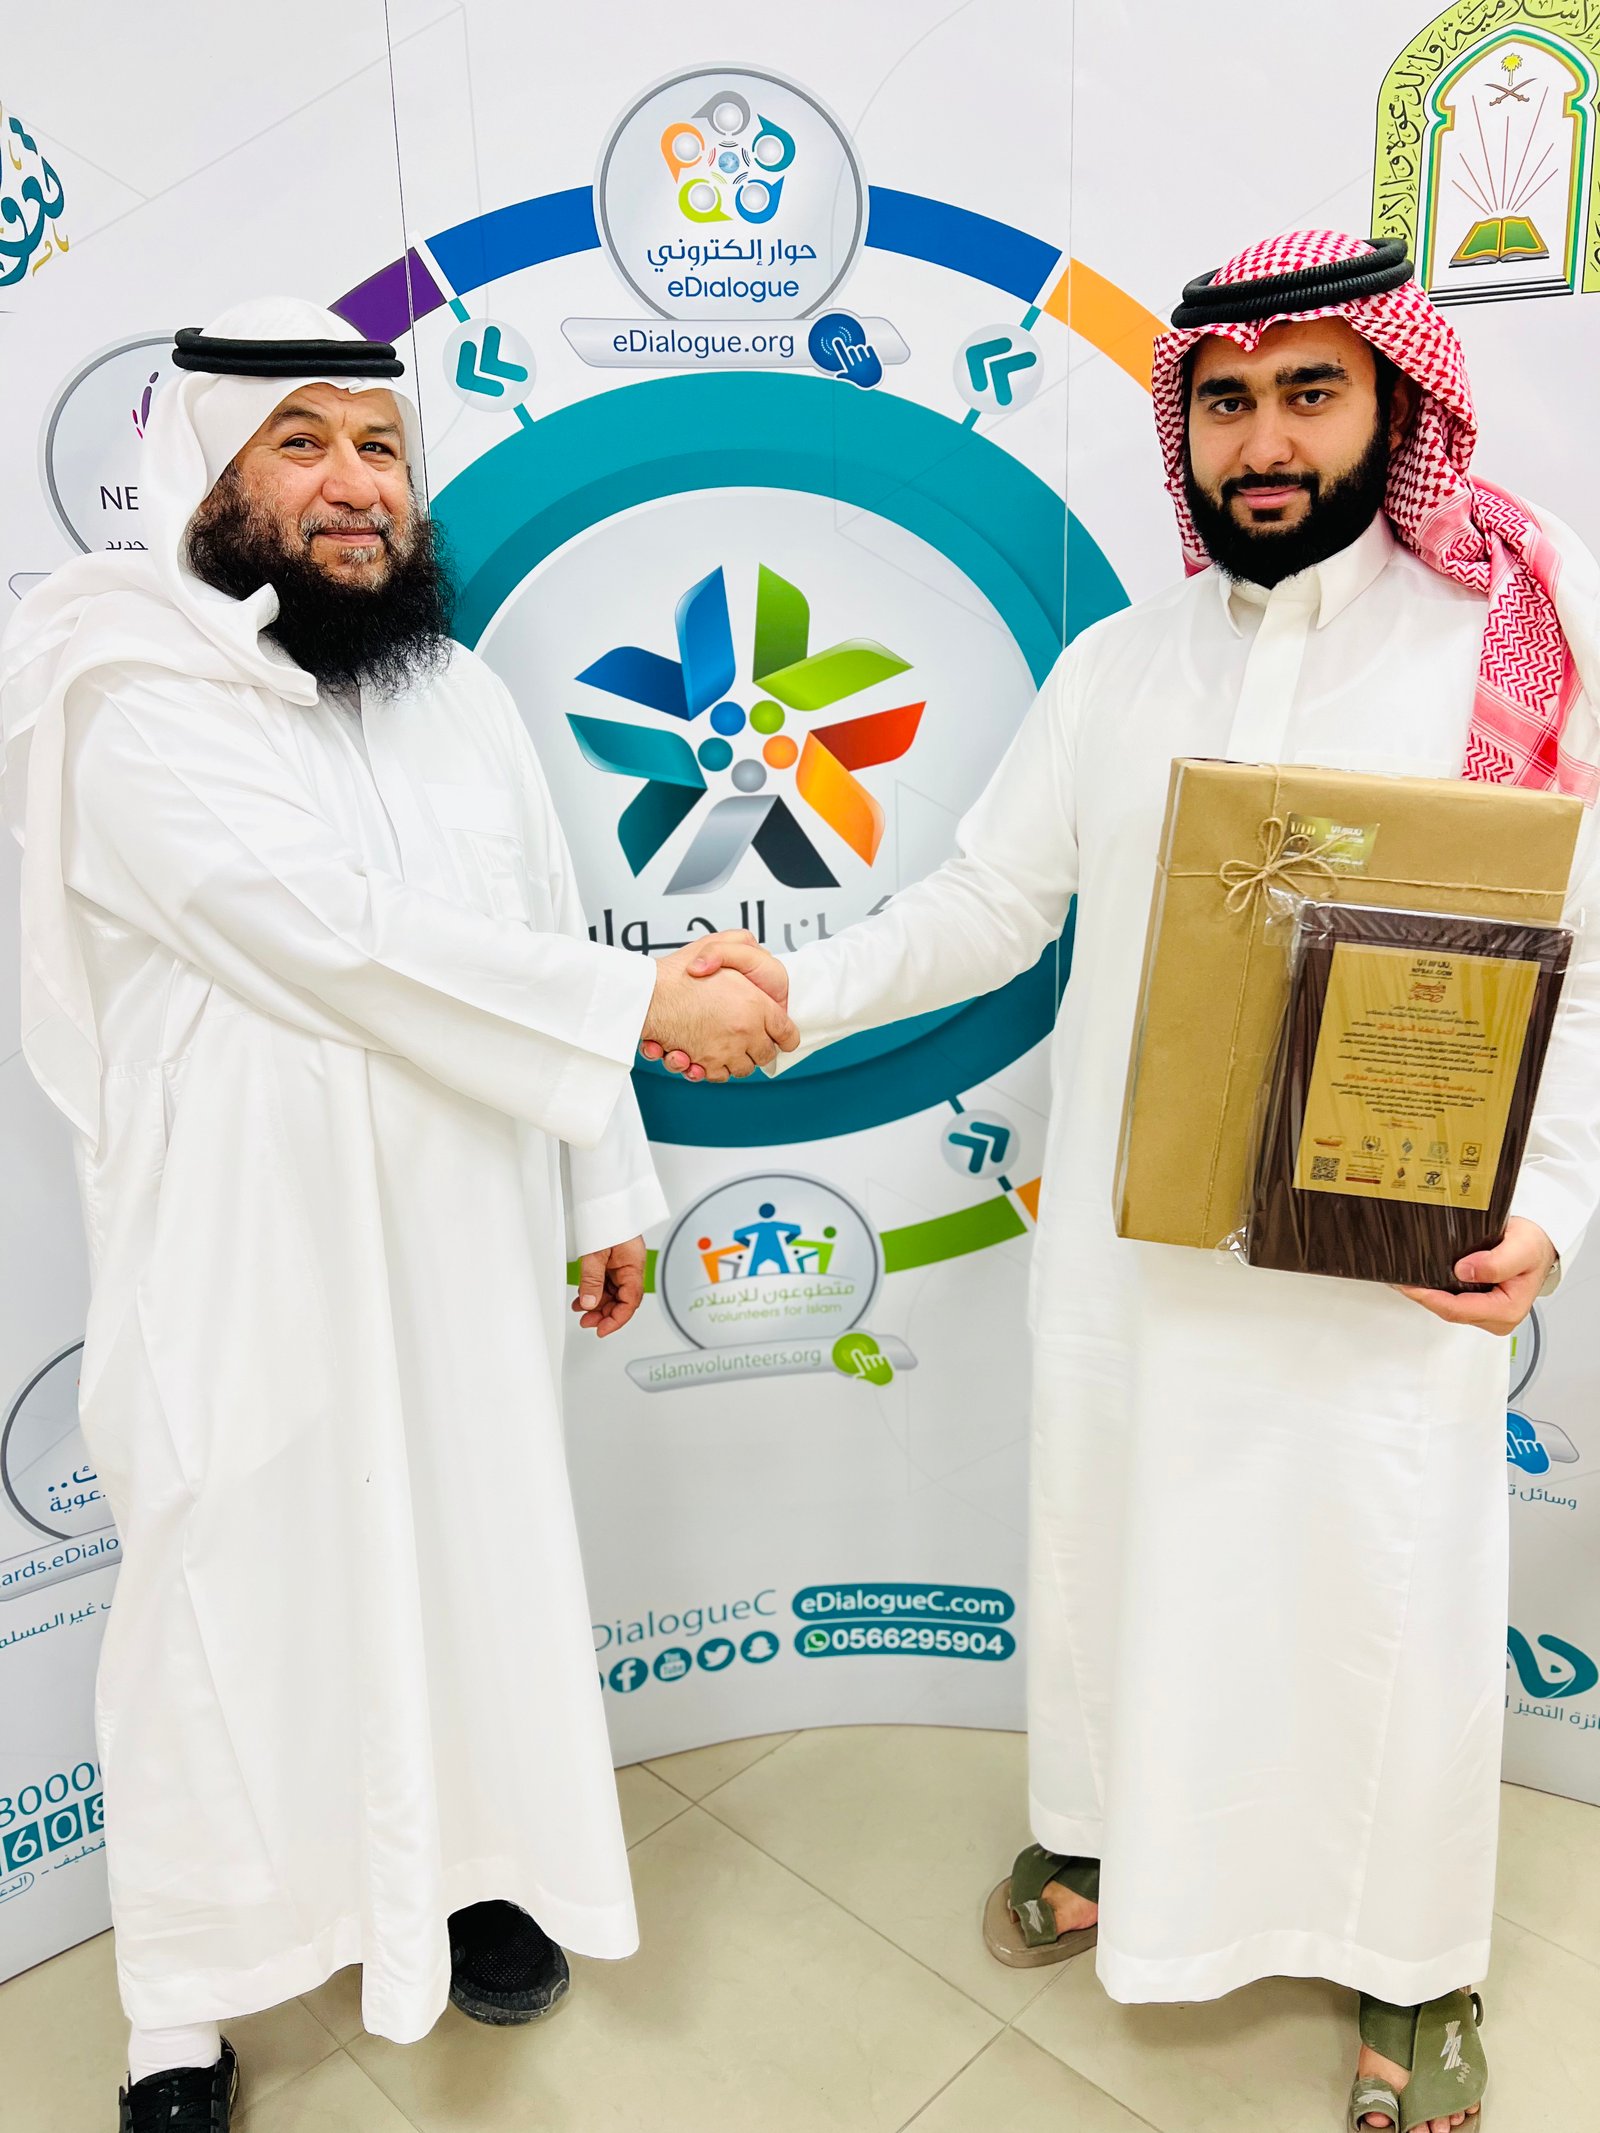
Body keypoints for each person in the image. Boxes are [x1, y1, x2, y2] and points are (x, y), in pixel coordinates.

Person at [651, 233, 1600, 2132]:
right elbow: (995, 904)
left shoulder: (1498, 654)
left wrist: (1550, 1201)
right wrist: (798, 984)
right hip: (1136, 1249)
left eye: (1313, 394)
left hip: (1380, 1263)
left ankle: (1412, 1962)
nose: (1266, 442)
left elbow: (1575, 943)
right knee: (1118, 1558)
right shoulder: (1119, 666)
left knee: (1381, 1596)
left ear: (1396, 404)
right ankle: (1095, 1841)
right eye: (1229, 400)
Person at [0, 298, 794, 2132]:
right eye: (302, 442)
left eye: (380, 445)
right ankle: (181, 2008)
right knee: (226, 1597)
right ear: (205, 469)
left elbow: (525, 921)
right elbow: (313, 938)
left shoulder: (457, 695)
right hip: (240, 1252)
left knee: (468, 1551)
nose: (357, 486)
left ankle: (468, 1873)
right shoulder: (118, 683)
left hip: (462, 1212)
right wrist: (648, 1010)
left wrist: (605, 1170)